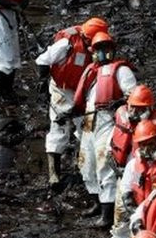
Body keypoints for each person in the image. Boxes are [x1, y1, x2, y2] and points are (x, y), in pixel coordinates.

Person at [60, 32, 137, 227]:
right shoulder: (91, 71)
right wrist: (67, 113)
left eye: (106, 48)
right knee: (86, 163)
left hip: (108, 121)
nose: (102, 53)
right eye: (98, 49)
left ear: (113, 50)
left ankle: (107, 214)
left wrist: (119, 103)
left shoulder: (121, 71)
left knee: (104, 164)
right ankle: (97, 202)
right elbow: (82, 100)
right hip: (88, 121)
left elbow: (134, 96)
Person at [34, 17, 109, 190]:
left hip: (84, 91)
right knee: (59, 127)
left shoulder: (101, 47)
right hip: (63, 89)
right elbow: (42, 60)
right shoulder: (66, 44)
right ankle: (54, 173)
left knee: (86, 129)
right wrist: (42, 83)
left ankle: (85, 167)